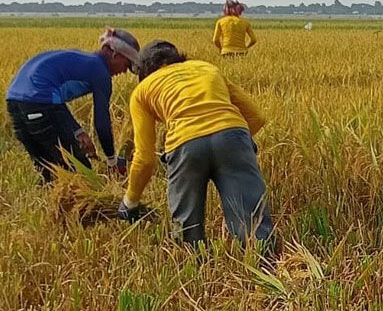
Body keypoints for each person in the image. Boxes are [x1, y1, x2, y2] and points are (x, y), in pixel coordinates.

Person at [119, 41, 273, 249]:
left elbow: (145, 158)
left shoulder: (143, 90)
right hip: (232, 134)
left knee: (187, 229)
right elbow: (256, 117)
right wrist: (238, 144)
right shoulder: (207, 68)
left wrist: (130, 202)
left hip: (185, 145)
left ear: (143, 71)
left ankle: (196, 266)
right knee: (252, 225)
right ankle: (263, 267)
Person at [5, 28, 140, 182]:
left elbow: (55, 100)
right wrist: (111, 160)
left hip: (14, 101)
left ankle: (52, 202)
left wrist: (77, 131)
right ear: (115, 54)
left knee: (49, 169)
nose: (124, 71)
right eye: (127, 64)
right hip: (39, 103)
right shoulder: (100, 71)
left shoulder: (81, 59)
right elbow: (102, 123)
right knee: (80, 173)